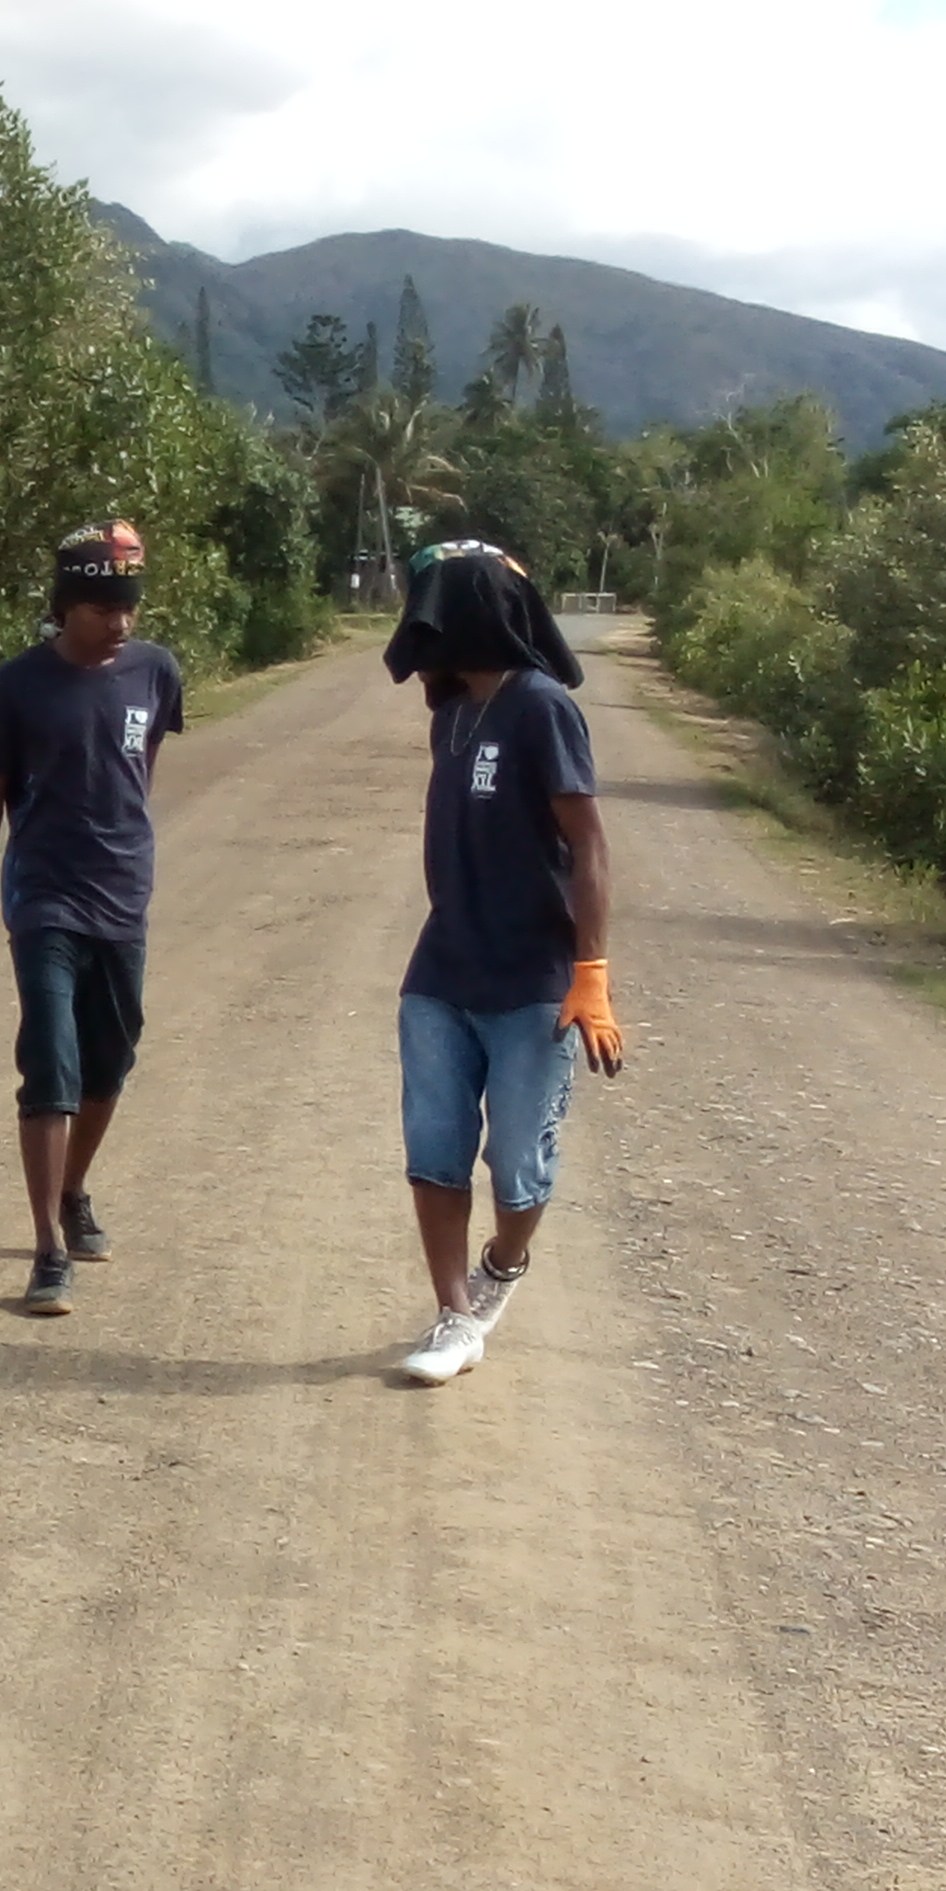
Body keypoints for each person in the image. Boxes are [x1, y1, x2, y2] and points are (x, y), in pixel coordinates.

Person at [380, 540, 625, 1387]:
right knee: (435, 1149)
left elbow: (589, 844)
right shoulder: (451, 715)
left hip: (531, 981)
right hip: (442, 972)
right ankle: (455, 1315)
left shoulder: (543, 708)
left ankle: (504, 1263)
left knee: (519, 1168)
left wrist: (590, 972)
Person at [0, 521, 183, 1316]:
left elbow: (137, 776)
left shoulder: (156, 673)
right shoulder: (15, 688)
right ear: (64, 607)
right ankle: (48, 1249)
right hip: (44, 898)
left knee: (110, 1061)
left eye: (128, 606)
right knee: (52, 1060)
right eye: (102, 607)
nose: (120, 621)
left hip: (123, 898)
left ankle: (73, 1189)